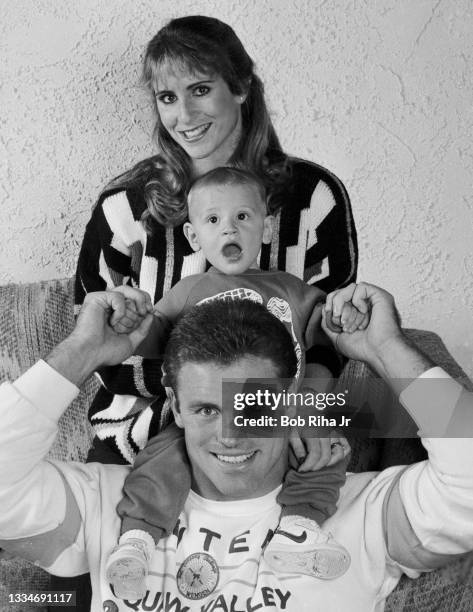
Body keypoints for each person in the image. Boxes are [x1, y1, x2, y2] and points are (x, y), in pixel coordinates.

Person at [1, 283, 473, 612]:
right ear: (177, 409)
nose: (230, 435)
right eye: (207, 409)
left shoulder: (365, 511)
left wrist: (386, 347)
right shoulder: (110, 503)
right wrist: (82, 350)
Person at [74, 15, 358, 468]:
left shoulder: (313, 196)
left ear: (241, 86)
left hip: (272, 428)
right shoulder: (123, 205)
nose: (183, 117)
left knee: (406, 441)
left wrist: (305, 404)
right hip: (136, 439)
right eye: (168, 98)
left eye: (200, 90)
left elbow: (330, 333)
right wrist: (197, 395)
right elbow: (95, 344)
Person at [106, 167, 366, 599]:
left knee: (329, 450)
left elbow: (328, 338)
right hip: (204, 419)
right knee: (160, 458)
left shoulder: (293, 290)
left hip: (277, 420)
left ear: (265, 228)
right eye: (213, 221)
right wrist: (130, 318)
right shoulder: (190, 290)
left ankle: (297, 530)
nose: (229, 227)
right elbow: (151, 338)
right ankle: (138, 540)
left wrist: (345, 317)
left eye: (243, 217)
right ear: (193, 237)